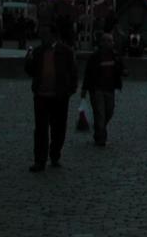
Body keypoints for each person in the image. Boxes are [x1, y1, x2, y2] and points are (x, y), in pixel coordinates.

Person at [24, 26, 78, 171]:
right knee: (41, 129)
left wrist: (70, 90)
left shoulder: (65, 51)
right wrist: (28, 60)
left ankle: (55, 155)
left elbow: (73, 72)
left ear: (54, 36)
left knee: (58, 128)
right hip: (41, 95)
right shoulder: (38, 52)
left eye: (45, 35)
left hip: (59, 96)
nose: (42, 38)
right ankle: (40, 160)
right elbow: (31, 71)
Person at [81, 31, 124, 146]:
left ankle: (99, 129)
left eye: (110, 41)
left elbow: (120, 69)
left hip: (110, 88)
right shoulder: (95, 57)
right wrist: (85, 88)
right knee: (100, 113)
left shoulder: (115, 56)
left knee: (109, 111)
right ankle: (101, 138)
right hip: (97, 88)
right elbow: (88, 73)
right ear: (102, 42)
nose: (108, 43)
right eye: (106, 40)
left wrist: (123, 72)